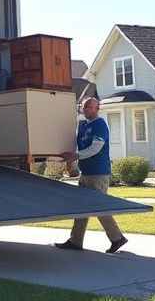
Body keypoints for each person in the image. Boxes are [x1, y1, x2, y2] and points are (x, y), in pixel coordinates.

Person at [55, 97, 128, 253]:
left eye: (90, 107)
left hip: (99, 173)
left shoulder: (100, 125)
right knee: (82, 207)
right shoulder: (82, 126)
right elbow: (76, 147)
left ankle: (117, 238)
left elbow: (95, 148)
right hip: (86, 172)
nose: (86, 109)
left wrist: (75, 156)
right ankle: (76, 241)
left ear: (97, 109)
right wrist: (72, 164)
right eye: (84, 106)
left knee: (98, 206)